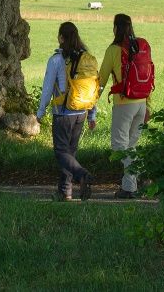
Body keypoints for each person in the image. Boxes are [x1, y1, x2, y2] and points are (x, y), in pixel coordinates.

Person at [36, 21, 98, 201]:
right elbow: (92, 87)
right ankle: (65, 191)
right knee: (70, 153)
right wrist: (92, 114)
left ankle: (82, 175)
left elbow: (47, 89)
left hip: (63, 113)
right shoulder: (85, 58)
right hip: (81, 112)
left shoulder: (56, 60)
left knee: (61, 152)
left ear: (61, 38)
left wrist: (39, 113)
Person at [99, 13, 152, 199]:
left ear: (116, 28)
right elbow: (148, 75)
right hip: (142, 103)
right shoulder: (141, 45)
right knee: (131, 145)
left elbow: (102, 78)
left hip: (124, 103)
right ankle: (131, 186)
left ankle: (138, 175)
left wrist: (91, 102)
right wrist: (149, 106)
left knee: (119, 146)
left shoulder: (114, 49)